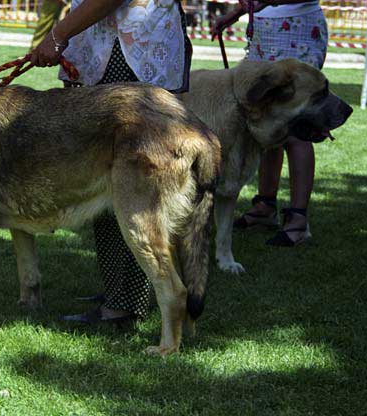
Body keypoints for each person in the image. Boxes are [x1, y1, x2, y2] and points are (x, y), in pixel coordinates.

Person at [30, 0, 192, 324]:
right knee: (105, 179)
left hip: (132, 54)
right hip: (109, 48)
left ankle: (127, 303)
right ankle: (119, 290)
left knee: (135, 187)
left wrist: (59, 34)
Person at [214, 0, 328, 246]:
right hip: (265, 31)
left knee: (297, 128)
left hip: (298, 27)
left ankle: (298, 220)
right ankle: (265, 206)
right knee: (266, 123)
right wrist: (238, 11)